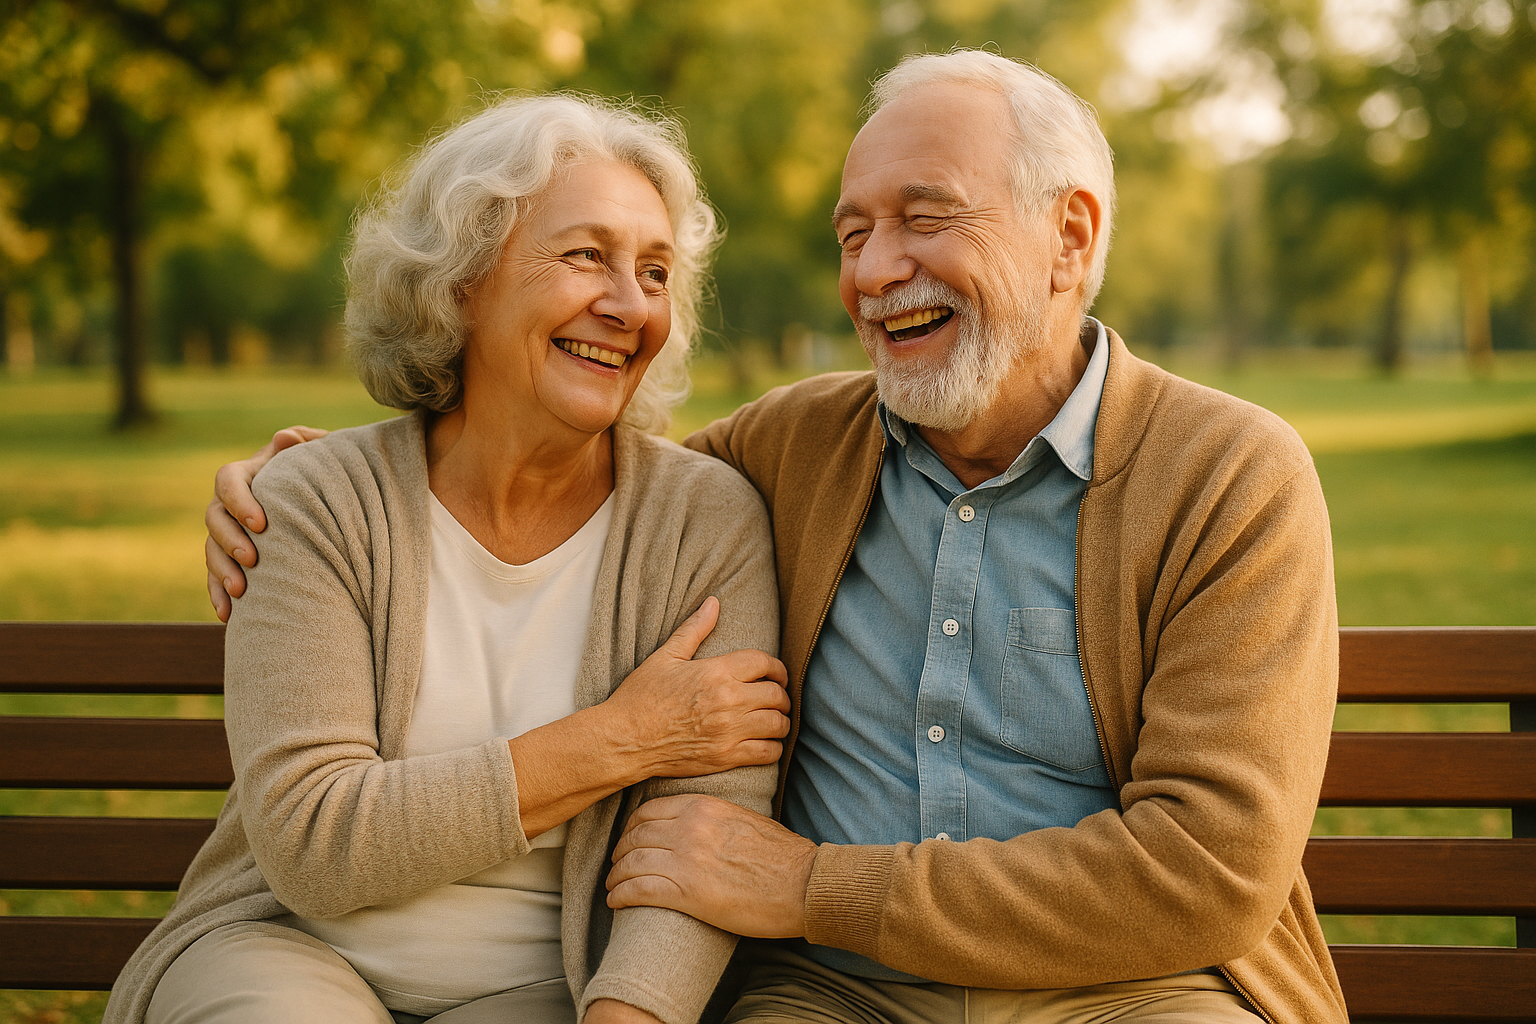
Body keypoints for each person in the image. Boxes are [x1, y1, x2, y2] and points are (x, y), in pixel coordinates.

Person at [206, 52, 1348, 1024]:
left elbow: (1207, 867)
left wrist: (815, 889)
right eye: (854, 232)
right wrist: (312, 477)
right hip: (834, 999)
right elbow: (560, 463)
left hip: (1137, 988)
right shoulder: (794, 448)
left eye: (924, 217)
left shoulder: (1228, 476)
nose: (874, 270)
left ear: (1070, 234)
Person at [112, 94, 794, 1024]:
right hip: (285, 947)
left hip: (550, 988)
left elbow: (711, 837)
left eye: (657, 270)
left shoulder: (704, 522)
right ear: (463, 279)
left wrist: (626, 1014)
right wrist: (621, 737)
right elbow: (314, 841)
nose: (630, 303)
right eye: (586, 254)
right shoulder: (318, 501)